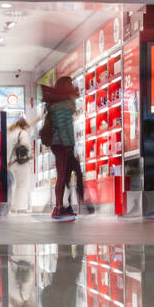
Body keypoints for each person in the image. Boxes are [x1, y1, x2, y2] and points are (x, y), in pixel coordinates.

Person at [41, 76, 93, 221]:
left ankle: (66, 205)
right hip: (62, 145)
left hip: (62, 145)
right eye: (70, 83)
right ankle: (59, 208)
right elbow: (64, 128)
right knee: (63, 175)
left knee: (69, 172)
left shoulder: (61, 104)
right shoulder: (62, 106)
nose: (73, 86)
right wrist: (68, 147)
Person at [6, 112, 37, 213]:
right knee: (23, 184)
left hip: (11, 163)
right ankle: (22, 207)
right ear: (23, 126)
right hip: (21, 163)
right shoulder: (23, 133)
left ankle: (14, 207)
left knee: (16, 185)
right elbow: (26, 146)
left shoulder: (11, 134)